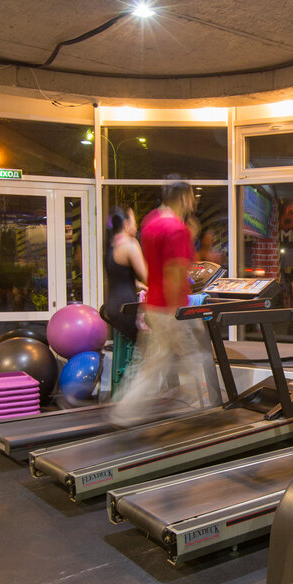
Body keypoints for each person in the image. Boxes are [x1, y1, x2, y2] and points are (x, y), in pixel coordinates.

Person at [112, 181, 222, 423]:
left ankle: (125, 411)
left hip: (153, 305)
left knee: (156, 363)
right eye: (191, 197)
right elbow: (175, 270)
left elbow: (156, 264)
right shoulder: (176, 229)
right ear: (183, 198)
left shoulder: (150, 222)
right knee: (197, 355)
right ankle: (211, 406)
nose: (193, 202)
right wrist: (177, 310)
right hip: (173, 307)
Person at [99, 206, 147, 343]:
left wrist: (138, 285)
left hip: (113, 307)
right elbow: (146, 275)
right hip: (126, 308)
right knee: (148, 344)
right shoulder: (130, 244)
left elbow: (119, 276)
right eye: (134, 221)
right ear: (126, 224)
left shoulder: (112, 244)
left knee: (134, 346)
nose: (136, 227)